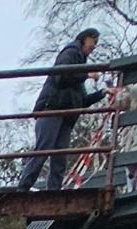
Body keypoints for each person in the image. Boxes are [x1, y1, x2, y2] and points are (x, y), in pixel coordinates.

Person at [16, 28, 102, 190]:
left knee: (60, 157)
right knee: (43, 150)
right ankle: (23, 188)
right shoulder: (70, 52)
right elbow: (61, 75)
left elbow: (82, 100)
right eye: (94, 41)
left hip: (65, 116)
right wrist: (87, 74)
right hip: (52, 109)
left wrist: (103, 93)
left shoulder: (79, 64)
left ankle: (54, 191)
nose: (94, 46)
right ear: (85, 38)